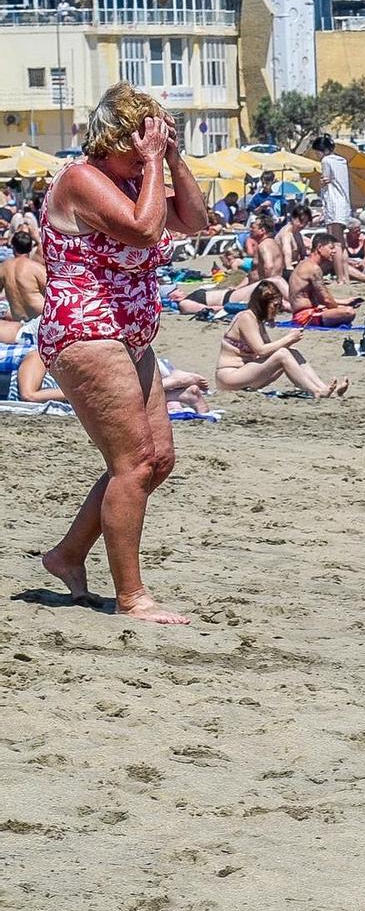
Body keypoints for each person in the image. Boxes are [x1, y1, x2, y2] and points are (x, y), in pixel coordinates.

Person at [34, 84, 209, 624]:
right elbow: (143, 229)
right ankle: (132, 597)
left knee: (156, 461)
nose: (143, 155)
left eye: (150, 144)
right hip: (85, 332)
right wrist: (154, 163)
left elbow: (194, 221)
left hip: (130, 333)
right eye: (137, 145)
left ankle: (66, 556)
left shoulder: (141, 176)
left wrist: (171, 158)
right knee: (132, 464)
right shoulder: (81, 179)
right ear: (112, 139)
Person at [216, 281, 349, 398]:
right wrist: (289, 338)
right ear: (263, 304)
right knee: (283, 354)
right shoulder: (246, 317)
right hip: (229, 375)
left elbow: (269, 351)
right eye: (275, 306)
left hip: (247, 374)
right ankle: (315, 391)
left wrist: (289, 342)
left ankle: (323, 388)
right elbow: (261, 351)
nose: (277, 310)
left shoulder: (257, 321)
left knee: (291, 351)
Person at [286, 234, 363, 328]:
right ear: (319, 247)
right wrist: (338, 310)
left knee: (344, 309)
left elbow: (319, 297)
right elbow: (326, 300)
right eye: (331, 248)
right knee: (348, 312)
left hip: (305, 312)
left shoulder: (305, 264)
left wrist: (344, 302)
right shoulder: (313, 268)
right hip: (304, 316)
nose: (334, 251)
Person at [1, 227, 46, 326]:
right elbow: (52, 294)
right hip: (40, 319)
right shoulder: (36, 268)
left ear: (13, 247)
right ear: (30, 248)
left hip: (19, 323)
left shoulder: (3, 268)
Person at [313, 135, 353, 240]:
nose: (317, 156)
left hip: (333, 203)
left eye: (317, 152)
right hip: (343, 203)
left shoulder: (326, 160)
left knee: (333, 239)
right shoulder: (341, 161)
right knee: (340, 239)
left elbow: (325, 180)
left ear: (324, 150)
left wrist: (321, 183)